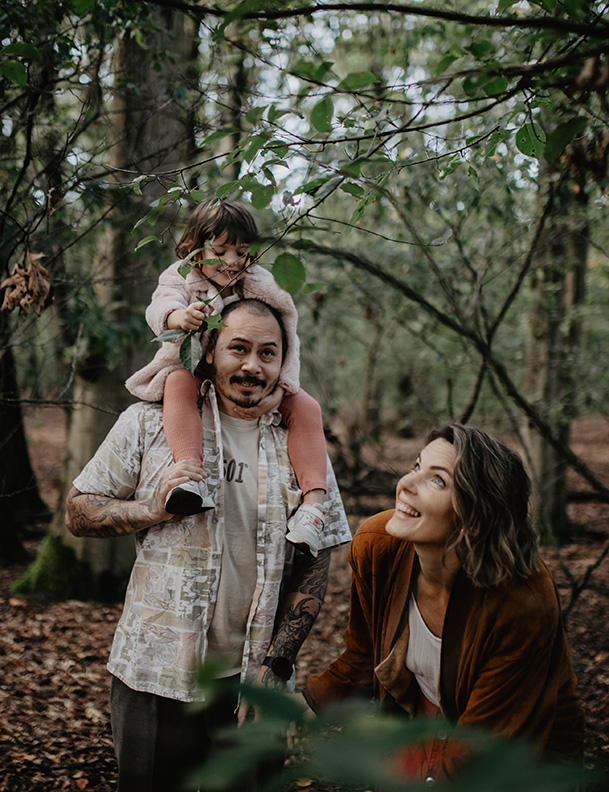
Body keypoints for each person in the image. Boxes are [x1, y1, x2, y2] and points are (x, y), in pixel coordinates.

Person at [65, 299, 352, 792]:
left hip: (253, 679)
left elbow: (314, 567)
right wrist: (151, 509)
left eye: (268, 353)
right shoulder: (149, 423)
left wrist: (276, 665)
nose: (252, 366)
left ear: (284, 362)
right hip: (153, 672)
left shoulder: (302, 443)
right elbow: (77, 510)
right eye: (238, 348)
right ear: (210, 350)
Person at [304, 424, 585, 785]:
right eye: (416, 466)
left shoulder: (521, 600)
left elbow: (482, 751)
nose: (406, 483)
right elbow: (363, 657)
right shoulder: (377, 546)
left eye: (438, 481)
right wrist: (306, 706)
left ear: (476, 518)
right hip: (420, 725)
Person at [125, 197, 327, 556]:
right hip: (192, 366)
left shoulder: (258, 280)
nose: (233, 262)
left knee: (307, 406)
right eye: (221, 251)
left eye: (242, 252)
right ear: (195, 249)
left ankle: (313, 508)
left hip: (249, 377)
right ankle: (188, 476)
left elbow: (286, 330)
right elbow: (159, 305)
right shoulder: (181, 276)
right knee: (177, 383)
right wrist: (177, 317)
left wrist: (282, 385)